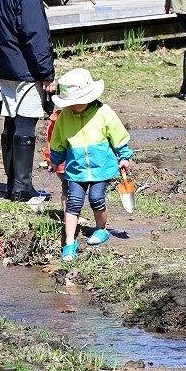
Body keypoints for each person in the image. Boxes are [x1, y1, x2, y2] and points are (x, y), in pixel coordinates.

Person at [0, 0, 56, 205]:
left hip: (5, 66)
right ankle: (23, 188)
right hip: (27, 68)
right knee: (26, 122)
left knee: (11, 121)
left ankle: (11, 185)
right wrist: (47, 73)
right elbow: (35, 36)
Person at [49, 68, 134, 263]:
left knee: (96, 198)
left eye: (75, 102)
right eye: (68, 103)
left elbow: (118, 136)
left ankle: (101, 229)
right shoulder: (64, 118)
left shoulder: (104, 113)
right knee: (73, 202)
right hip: (76, 169)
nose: (71, 106)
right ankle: (69, 242)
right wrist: (55, 160)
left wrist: (123, 156)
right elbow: (58, 141)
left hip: (101, 168)